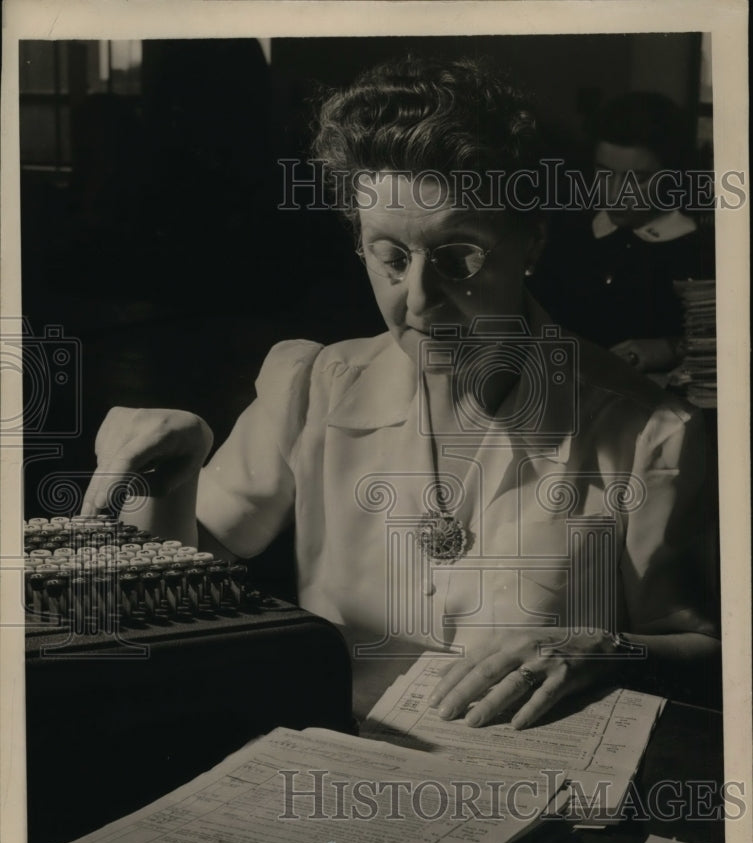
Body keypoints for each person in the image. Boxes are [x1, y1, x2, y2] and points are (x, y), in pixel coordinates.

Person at [81, 57, 719, 730]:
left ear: (530, 240)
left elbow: (708, 647)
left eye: (457, 257)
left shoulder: (644, 432)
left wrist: (607, 649)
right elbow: (167, 595)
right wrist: (168, 475)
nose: (417, 301)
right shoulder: (312, 390)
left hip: (535, 796)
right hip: (330, 781)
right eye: (389, 258)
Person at [529, 91, 714, 374]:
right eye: (604, 173)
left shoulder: (699, 249)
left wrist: (671, 348)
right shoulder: (572, 231)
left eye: (638, 179)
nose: (615, 193)